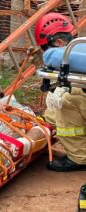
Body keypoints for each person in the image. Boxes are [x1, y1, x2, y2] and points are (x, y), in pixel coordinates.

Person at [35, 12, 86, 171]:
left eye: (45, 48)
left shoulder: (72, 52)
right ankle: (47, 120)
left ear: (58, 42)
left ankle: (79, 157)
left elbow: (52, 57)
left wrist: (46, 56)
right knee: (70, 90)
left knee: (66, 101)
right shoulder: (81, 48)